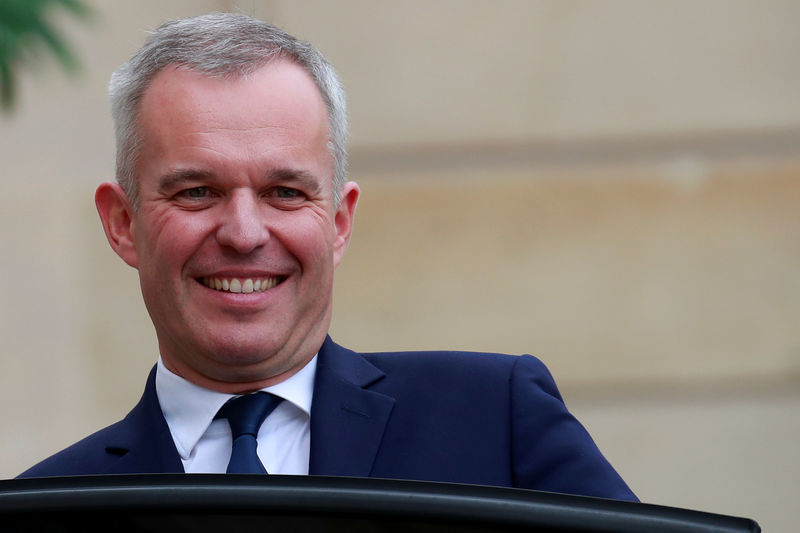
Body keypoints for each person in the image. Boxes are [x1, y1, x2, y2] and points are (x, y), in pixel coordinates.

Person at [19, 12, 636, 501]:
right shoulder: (42, 507)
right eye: (196, 191)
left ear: (339, 221)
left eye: (284, 192)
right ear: (123, 223)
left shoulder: (495, 420)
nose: (243, 232)